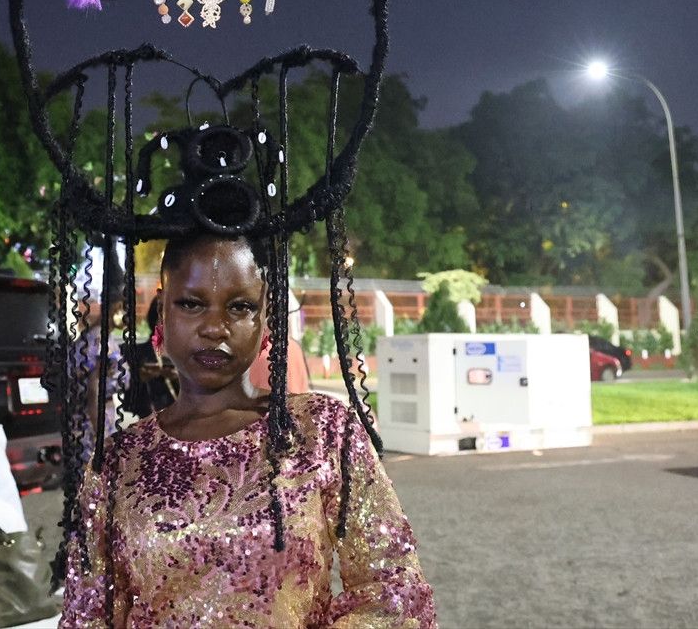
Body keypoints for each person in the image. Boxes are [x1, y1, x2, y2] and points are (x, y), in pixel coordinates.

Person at [62, 233, 436, 626]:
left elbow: (395, 593)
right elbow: (85, 616)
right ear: (162, 311)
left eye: (240, 307)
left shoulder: (322, 430)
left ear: (266, 314)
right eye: (191, 303)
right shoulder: (120, 460)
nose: (214, 327)